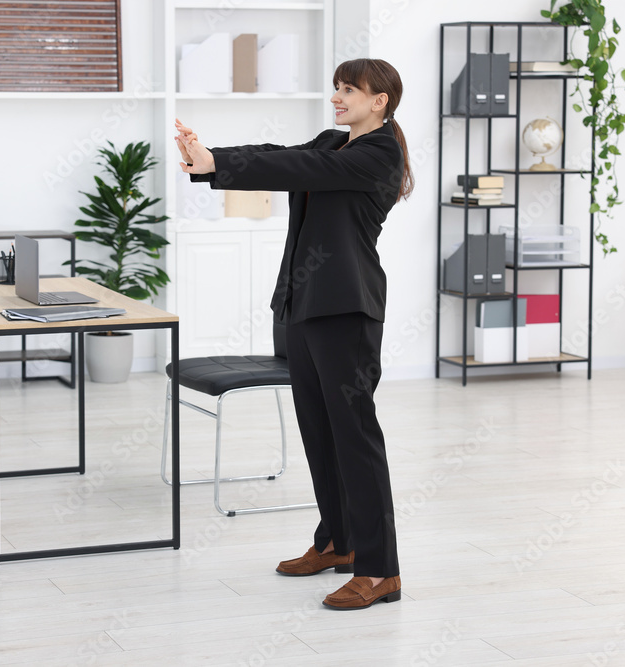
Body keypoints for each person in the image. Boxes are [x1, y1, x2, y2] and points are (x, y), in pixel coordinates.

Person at [175, 58, 413, 610]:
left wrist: (217, 162)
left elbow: (300, 167)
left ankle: (380, 571)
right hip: (302, 305)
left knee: (354, 437)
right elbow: (281, 155)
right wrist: (209, 160)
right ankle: (337, 542)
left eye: (349, 89)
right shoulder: (334, 142)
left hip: (346, 310)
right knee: (319, 432)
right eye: (336, 87)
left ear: (379, 100)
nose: (337, 97)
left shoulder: (379, 153)